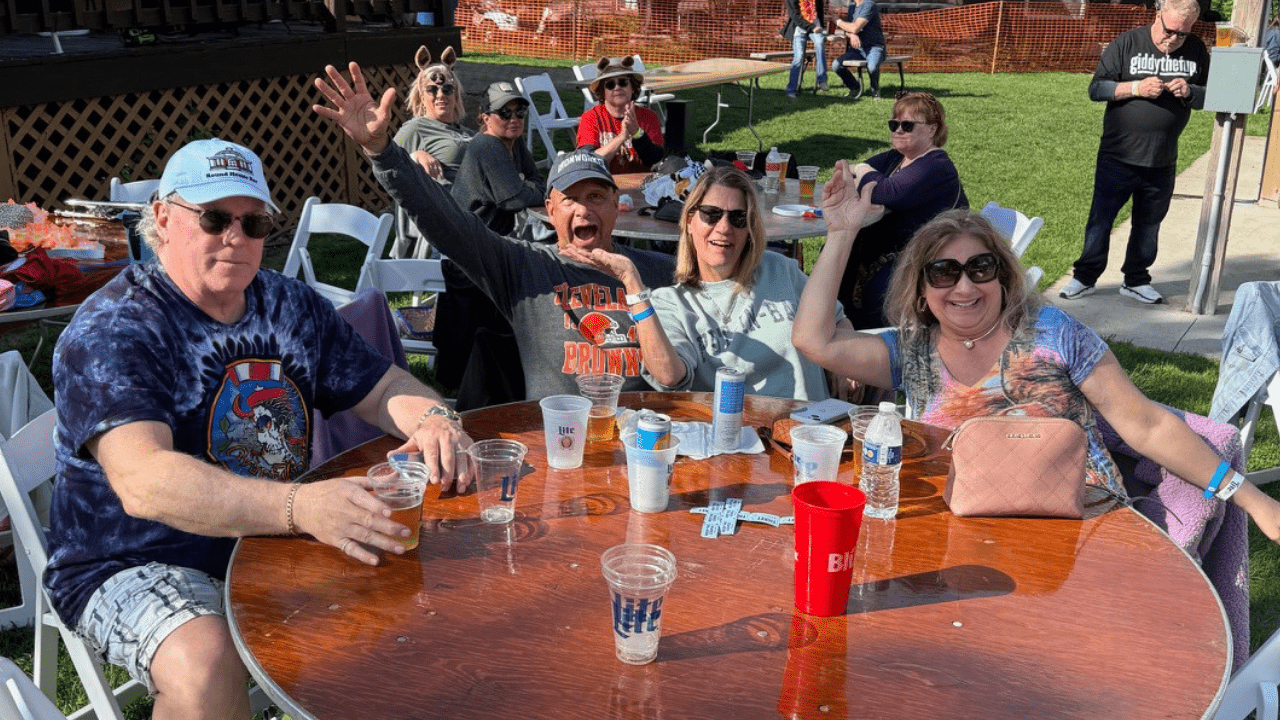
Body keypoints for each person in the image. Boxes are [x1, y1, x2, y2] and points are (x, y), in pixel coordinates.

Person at [44, 138, 473, 719]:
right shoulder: (115, 328)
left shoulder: (288, 304)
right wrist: (301, 508)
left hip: (271, 536)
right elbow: (144, 481)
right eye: (216, 218)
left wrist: (435, 419)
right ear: (163, 220)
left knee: (440, 595)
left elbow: (383, 388)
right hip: (134, 558)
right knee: (207, 665)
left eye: (254, 223)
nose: (235, 238)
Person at [793, 165, 1280, 663]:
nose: (964, 287)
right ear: (922, 290)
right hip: (967, 540)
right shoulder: (912, 350)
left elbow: (1147, 425)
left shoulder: (1055, 334)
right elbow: (813, 339)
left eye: (980, 269)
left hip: (1087, 531)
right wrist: (841, 231)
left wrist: (1254, 501)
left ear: (1004, 278)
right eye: (943, 272)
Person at [314, 62, 676, 399]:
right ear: (550, 211)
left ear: (617, 205)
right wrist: (381, 151)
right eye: (569, 199)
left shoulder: (657, 271)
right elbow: (443, 218)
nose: (582, 208)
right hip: (556, 438)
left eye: (596, 196)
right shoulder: (524, 266)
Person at [562, 165, 849, 400]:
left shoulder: (780, 270)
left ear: (750, 229)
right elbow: (669, 375)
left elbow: (836, 319)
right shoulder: (671, 302)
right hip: (736, 445)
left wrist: (842, 366)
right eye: (711, 214)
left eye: (738, 218)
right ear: (689, 220)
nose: (724, 228)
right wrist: (633, 285)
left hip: (810, 433)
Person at [1059, 0, 1208, 305]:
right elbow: (1097, 89)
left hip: (1162, 158)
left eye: (1183, 34)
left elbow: (1210, 94)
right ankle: (1085, 277)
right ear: (1158, 15)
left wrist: (1190, 91)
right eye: (1170, 31)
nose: (1174, 39)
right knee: (1102, 219)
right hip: (1119, 155)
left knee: (1149, 223)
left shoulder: (1196, 50)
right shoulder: (1127, 43)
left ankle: (1136, 279)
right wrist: (1136, 89)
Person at [442, 80, 547, 406]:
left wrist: (526, 184)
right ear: (485, 117)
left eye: (520, 111)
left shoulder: (513, 144)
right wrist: (524, 184)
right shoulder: (487, 146)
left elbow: (539, 181)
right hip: (468, 255)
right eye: (504, 112)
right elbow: (515, 198)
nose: (514, 118)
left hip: (488, 245)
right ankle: (470, 386)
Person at [839, 91, 967, 329]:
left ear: (932, 129)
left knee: (877, 287)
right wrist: (865, 173)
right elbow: (848, 172)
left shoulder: (936, 165)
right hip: (891, 252)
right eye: (894, 124)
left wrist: (866, 173)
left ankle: (876, 346)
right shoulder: (896, 158)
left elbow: (888, 192)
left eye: (907, 125)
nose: (898, 130)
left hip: (927, 257)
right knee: (838, 257)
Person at [390, 45, 474, 260]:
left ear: (456, 95)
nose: (440, 95)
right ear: (421, 94)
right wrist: (414, 156)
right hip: (456, 215)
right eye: (432, 89)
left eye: (447, 89)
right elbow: (388, 169)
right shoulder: (415, 128)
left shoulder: (465, 131)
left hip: (483, 205)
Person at [576, 56, 665, 175]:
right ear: (602, 92)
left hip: (643, 185)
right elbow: (588, 162)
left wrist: (637, 134)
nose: (617, 87)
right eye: (610, 85)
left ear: (633, 87)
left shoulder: (648, 116)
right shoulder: (590, 118)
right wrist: (621, 137)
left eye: (623, 82)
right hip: (604, 185)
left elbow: (655, 160)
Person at [832, 0, 886, 99]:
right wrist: (851, 35)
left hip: (874, 47)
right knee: (836, 65)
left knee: (872, 67)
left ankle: (875, 89)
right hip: (857, 49)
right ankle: (854, 87)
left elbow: (855, 27)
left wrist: (838, 21)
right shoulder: (852, 6)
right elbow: (848, 29)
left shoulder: (869, 4)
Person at [782, 0, 828, 98]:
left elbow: (819, 10)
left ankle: (822, 80)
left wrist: (821, 27)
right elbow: (794, 16)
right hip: (799, 28)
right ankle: (791, 89)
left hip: (815, 25)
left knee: (820, 43)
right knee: (798, 57)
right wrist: (812, 28)